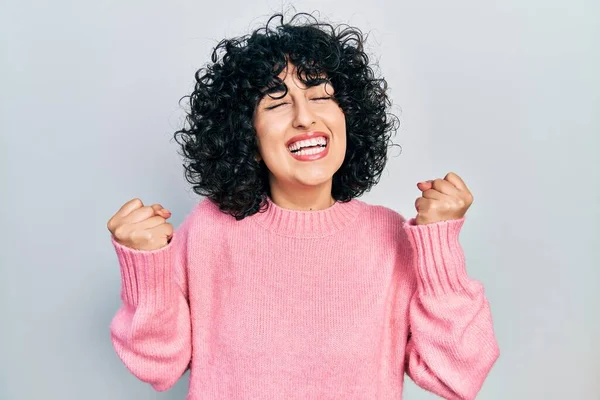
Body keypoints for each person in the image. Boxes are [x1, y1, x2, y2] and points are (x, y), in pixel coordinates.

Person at [106, 12, 499, 400]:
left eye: (320, 96)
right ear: (248, 137)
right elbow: (157, 367)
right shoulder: (209, 230)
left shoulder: (391, 237)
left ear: (349, 117)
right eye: (276, 104)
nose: (305, 117)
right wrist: (146, 266)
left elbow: (457, 375)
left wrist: (440, 247)